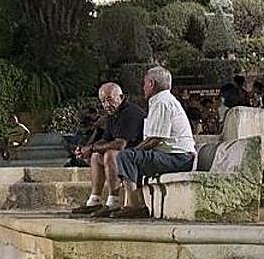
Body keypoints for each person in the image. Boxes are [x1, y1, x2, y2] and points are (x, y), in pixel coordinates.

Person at [108, 66, 196, 219]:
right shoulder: (162, 100)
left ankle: (134, 205)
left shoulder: (162, 101)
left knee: (126, 156)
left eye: (144, 84)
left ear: (151, 84)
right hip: (174, 156)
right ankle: (135, 202)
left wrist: (134, 151)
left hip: (179, 158)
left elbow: (155, 139)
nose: (143, 88)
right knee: (131, 156)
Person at [70, 82, 147, 216]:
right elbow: (105, 139)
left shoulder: (130, 113)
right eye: (103, 101)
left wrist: (92, 147)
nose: (106, 105)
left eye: (109, 100)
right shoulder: (113, 114)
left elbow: (120, 145)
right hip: (125, 154)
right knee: (96, 156)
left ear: (121, 97)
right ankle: (95, 200)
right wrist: (86, 149)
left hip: (136, 156)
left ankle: (113, 202)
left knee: (110, 154)